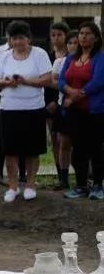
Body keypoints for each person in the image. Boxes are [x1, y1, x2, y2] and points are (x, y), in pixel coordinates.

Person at [0, 20, 52, 202]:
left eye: (21, 38)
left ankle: (31, 184)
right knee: (10, 150)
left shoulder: (39, 54)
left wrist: (25, 81)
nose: (18, 42)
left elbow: (47, 79)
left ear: (28, 38)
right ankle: (13, 186)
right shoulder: (5, 56)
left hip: (34, 108)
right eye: (14, 38)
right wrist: (7, 82)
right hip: (9, 109)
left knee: (33, 149)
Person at [59, 22, 104, 199]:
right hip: (74, 111)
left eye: (88, 33)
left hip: (95, 110)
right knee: (78, 149)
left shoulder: (100, 57)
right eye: (81, 33)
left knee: (96, 148)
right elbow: (62, 80)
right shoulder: (71, 58)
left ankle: (98, 186)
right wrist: (70, 92)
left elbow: (99, 81)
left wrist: (78, 95)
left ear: (96, 38)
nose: (83, 36)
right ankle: (80, 186)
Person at [46, 22, 72, 190]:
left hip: (67, 102)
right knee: (55, 140)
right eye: (53, 35)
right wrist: (49, 102)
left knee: (68, 141)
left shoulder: (73, 56)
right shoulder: (47, 57)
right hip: (49, 105)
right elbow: (46, 81)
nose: (56, 38)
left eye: (59, 35)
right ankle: (60, 175)